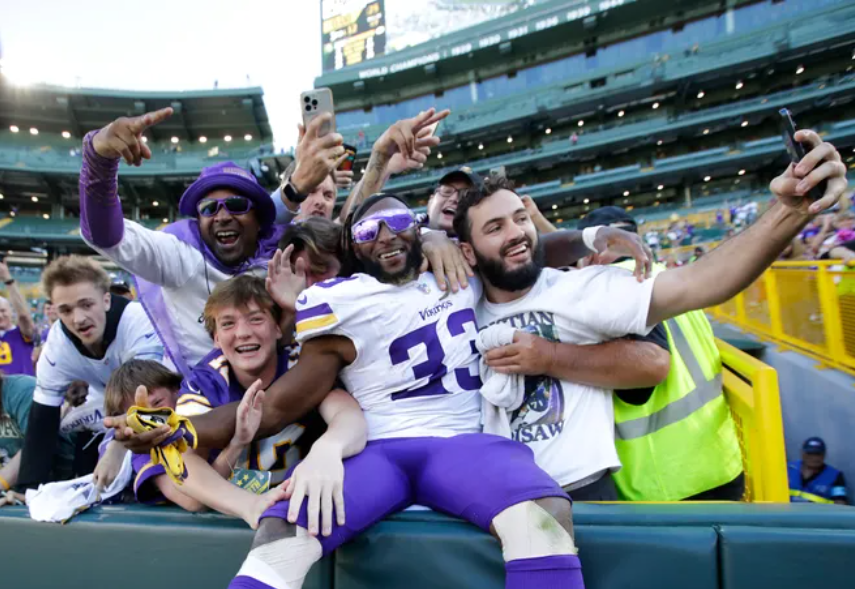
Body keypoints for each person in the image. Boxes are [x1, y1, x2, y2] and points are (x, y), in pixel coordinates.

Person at [111, 193, 588, 589]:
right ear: (353, 251)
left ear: (418, 228)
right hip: (377, 452)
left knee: (542, 516)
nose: (384, 236)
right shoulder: (339, 303)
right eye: (366, 232)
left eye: (398, 222)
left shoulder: (457, 266)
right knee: (281, 527)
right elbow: (273, 407)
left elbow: (520, 254)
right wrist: (166, 426)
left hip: (458, 441)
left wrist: (591, 239)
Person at [453, 128, 846, 500]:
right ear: (467, 252)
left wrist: (790, 212)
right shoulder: (456, 306)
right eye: (495, 227)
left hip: (586, 497)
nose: (516, 233)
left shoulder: (581, 288)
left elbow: (700, 282)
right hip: (497, 498)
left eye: (521, 219)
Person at [83, 107, 460, 376]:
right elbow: (106, 234)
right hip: (206, 397)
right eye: (209, 208)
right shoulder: (178, 256)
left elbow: (352, 236)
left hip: (294, 389)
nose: (223, 215)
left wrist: (431, 235)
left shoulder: (283, 249)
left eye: (236, 204)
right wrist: (100, 160)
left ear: (259, 219)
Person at [577, 206, 744, 501]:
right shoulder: (667, 276)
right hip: (720, 462)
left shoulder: (612, 286)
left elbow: (638, 388)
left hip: (664, 484)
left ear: (594, 253)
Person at [12, 255, 164, 494]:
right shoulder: (57, 344)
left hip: (162, 402)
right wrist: (26, 489)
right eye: (66, 309)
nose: (78, 319)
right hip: (107, 402)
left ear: (106, 300)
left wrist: (118, 445)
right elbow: (43, 419)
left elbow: (146, 395)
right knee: (83, 437)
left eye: (86, 304)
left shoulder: (137, 319)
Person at [103, 360, 292, 527]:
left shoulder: (201, 410)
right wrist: (236, 444)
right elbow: (194, 501)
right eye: (140, 413)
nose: (153, 416)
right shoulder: (144, 452)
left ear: (177, 391)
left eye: (158, 402)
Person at [0, 373, 75, 506]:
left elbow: (36, 447)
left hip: (56, 487)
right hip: (13, 492)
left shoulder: (22, 391)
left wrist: (2, 482)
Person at [0, 260, 36, 376]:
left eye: (3, 311)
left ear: (11, 311)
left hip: (21, 391)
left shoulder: (22, 333)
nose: (0, 315)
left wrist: (8, 280)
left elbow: (24, 315)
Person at [788, 437, 848, 505]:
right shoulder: (787, 469)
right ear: (802, 453)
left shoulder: (835, 475)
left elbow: (840, 503)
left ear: (824, 454)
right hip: (789, 513)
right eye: (810, 453)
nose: (814, 458)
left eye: (818, 454)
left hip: (819, 514)